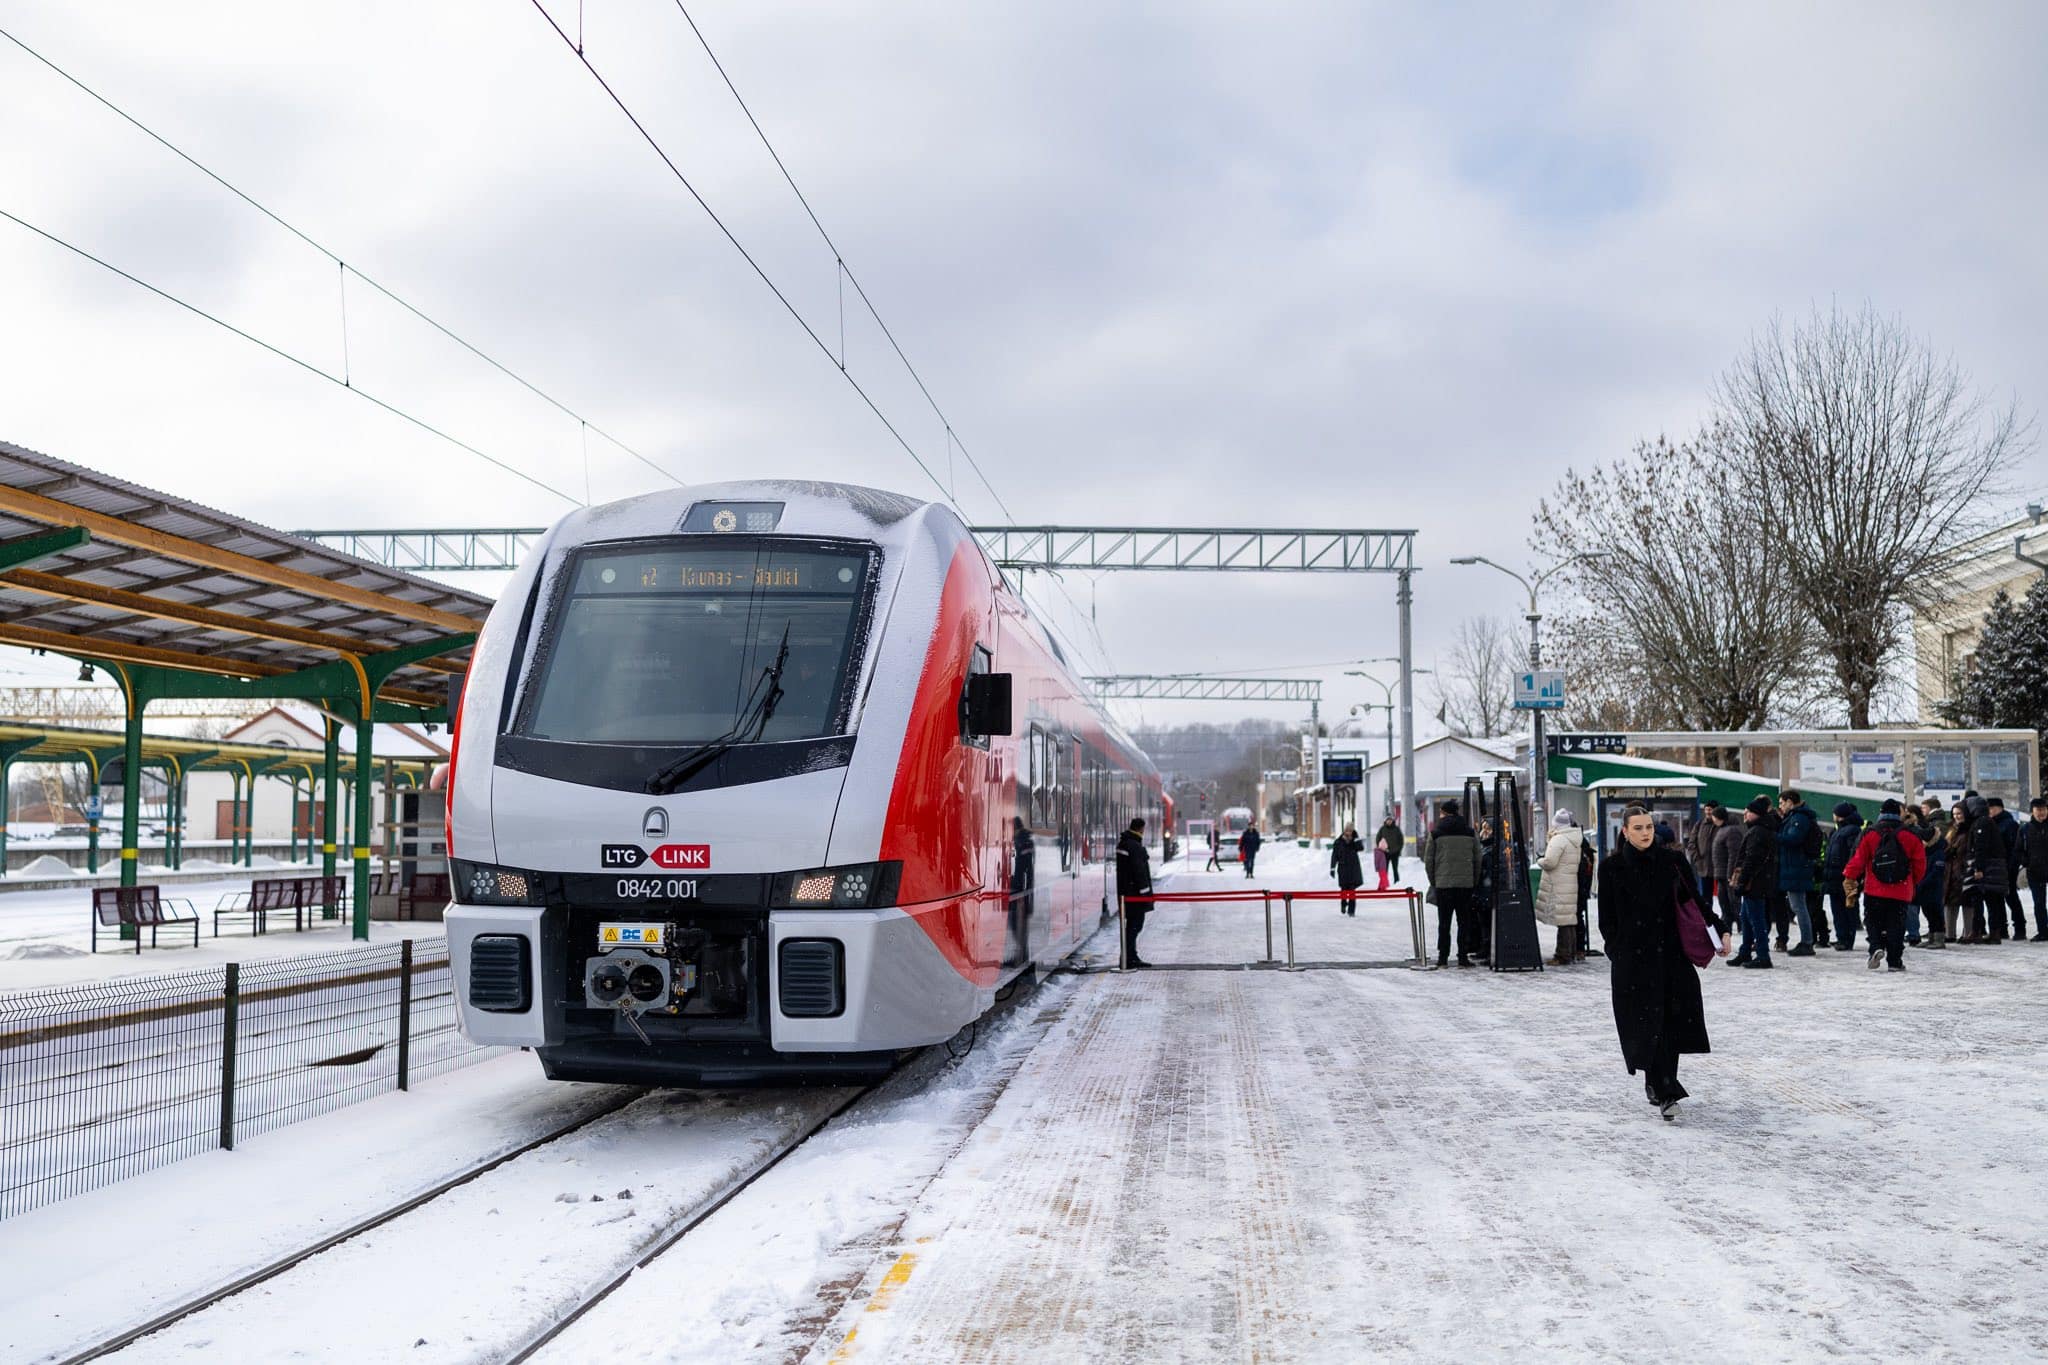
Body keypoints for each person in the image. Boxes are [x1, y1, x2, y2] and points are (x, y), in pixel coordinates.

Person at [1598, 804, 1720, 1119]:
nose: (1645, 833)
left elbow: (1694, 899)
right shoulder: (1611, 868)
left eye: (1649, 827)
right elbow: (1606, 919)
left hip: (1671, 956)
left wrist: (1719, 931)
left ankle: (1664, 1087)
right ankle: (1661, 1084)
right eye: (1637, 828)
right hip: (1633, 960)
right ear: (1624, 831)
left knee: (1671, 1022)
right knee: (1643, 1023)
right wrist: (1618, 950)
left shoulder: (1673, 861)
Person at [1844, 798, 1927, 972]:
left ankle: (1876, 947)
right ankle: (1895, 961)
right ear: (1899, 814)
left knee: (1873, 921)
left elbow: (1858, 859)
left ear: (1881, 813)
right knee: (1896, 925)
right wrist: (1912, 882)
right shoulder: (1910, 835)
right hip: (1901, 889)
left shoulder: (1870, 833)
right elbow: (1920, 863)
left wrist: (1849, 876)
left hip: (1874, 889)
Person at [1424, 799, 1482, 968]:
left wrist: (1435, 881)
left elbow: (1429, 861)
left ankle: (1443, 958)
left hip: (1443, 885)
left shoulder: (1436, 833)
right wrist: (1473, 880)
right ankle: (1462, 956)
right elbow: (1477, 859)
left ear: (1444, 813)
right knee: (1464, 922)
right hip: (1465, 885)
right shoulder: (1470, 833)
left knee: (1444, 922)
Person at [1728, 795, 1779, 968]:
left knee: (1755, 920)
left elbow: (1751, 860)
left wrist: (1742, 882)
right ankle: (1745, 952)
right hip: (1757, 881)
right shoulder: (1759, 829)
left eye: (1748, 811)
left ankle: (1763, 955)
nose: (1745, 813)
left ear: (1756, 814)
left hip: (1755, 882)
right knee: (1747, 918)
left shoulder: (1758, 832)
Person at [1775, 791, 1821, 956]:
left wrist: (1775, 837)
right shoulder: (1796, 816)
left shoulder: (1799, 818)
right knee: (1798, 905)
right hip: (1794, 867)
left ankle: (1807, 942)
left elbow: (1793, 839)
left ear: (1789, 802)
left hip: (1797, 867)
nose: (1780, 806)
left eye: (1781, 803)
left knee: (1799, 906)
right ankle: (1807, 940)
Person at [1537, 810, 1586, 964]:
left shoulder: (1559, 840)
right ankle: (1570, 952)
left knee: (1563, 921)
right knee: (1569, 920)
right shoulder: (1574, 839)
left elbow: (1550, 862)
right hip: (1569, 883)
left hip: (1558, 883)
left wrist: (1540, 861)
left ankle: (1562, 955)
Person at [1962, 796, 2010, 944]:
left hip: (1987, 868)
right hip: (1995, 868)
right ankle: (1995, 933)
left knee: (1979, 900)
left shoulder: (1980, 823)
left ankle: (1976, 932)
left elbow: (1980, 847)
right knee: (1993, 901)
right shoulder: (1988, 821)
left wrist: (1978, 868)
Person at [1822, 803, 1865, 952]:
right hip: (1835, 875)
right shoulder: (1839, 830)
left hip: (1844, 875)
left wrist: (1850, 873)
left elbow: (1851, 854)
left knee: (1845, 909)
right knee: (1838, 908)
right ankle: (1842, 937)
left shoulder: (1850, 831)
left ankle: (1846, 939)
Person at [1115, 816, 1153, 968]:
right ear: (1141, 828)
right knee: (1135, 926)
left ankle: (1128, 957)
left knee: (1131, 926)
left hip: (1127, 893)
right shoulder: (1135, 846)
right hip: (1135, 895)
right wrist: (1146, 894)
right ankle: (1129, 958)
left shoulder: (1124, 843)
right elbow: (1139, 871)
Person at [1988, 797, 2027, 940]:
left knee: (2011, 898)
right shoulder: (1994, 823)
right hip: (1998, 867)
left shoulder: (2008, 824)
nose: (1990, 811)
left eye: (1992, 808)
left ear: (2000, 808)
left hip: (2007, 866)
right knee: (1999, 898)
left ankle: (2020, 928)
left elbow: (2013, 848)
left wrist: (2011, 866)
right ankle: (2002, 928)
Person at [1710, 803, 1745, 937]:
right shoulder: (1722, 829)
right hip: (1720, 873)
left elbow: (1733, 854)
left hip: (1727, 875)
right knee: (1724, 903)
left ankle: (1743, 927)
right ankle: (1726, 929)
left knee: (1734, 903)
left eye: (1714, 816)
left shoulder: (1731, 831)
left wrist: (1731, 874)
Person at [2021, 798, 2048, 941]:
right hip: (2035, 870)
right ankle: (2043, 931)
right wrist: (2026, 862)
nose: (2041, 813)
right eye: (2038, 810)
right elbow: (2019, 850)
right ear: (2032, 811)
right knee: (2039, 903)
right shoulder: (2025, 829)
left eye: (2044, 809)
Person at [1686, 804, 1720, 902]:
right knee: (1706, 896)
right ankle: (1708, 916)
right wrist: (1697, 860)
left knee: (1723, 895)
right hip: (1704, 866)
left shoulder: (1721, 824)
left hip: (1719, 866)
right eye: (1706, 809)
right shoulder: (1699, 824)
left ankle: (1725, 916)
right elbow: (1691, 843)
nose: (1708, 812)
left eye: (1711, 809)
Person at [1330, 824, 1366, 915]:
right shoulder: (1338, 842)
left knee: (1352, 891)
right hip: (1343, 869)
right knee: (1344, 889)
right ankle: (1343, 903)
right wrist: (1332, 868)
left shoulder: (1355, 841)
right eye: (1347, 831)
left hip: (1353, 869)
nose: (1349, 833)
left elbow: (1361, 848)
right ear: (1344, 831)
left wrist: (1356, 838)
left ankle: (1351, 911)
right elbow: (1334, 855)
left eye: (1350, 831)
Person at [1378, 815, 1405, 883]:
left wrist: (1398, 849)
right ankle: (1384, 882)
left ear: (1392, 820)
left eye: (1390, 820)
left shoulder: (1396, 829)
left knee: (1395, 869)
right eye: (1388, 820)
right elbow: (1378, 839)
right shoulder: (1382, 829)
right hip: (1385, 853)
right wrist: (1381, 848)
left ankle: (1397, 882)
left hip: (1395, 852)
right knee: (1384, 869)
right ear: (1385, 821)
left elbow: (1401, 840)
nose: (1389, 821)